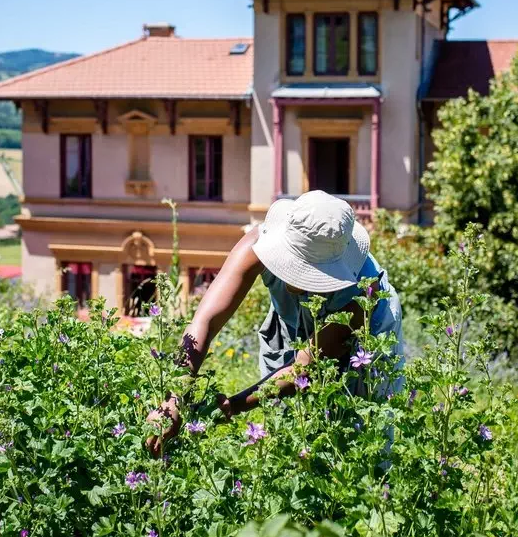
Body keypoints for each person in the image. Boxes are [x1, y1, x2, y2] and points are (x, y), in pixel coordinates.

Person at [146, 190, 403, 456]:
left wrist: (232, 406)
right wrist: (172, 400)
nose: (300, 278)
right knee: (286, 435)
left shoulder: (364, 289)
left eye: (310, 271)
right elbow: (205, 322)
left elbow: (306, 367)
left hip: (366, 337)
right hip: (291, 320)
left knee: (361, 436)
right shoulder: (259, 243)